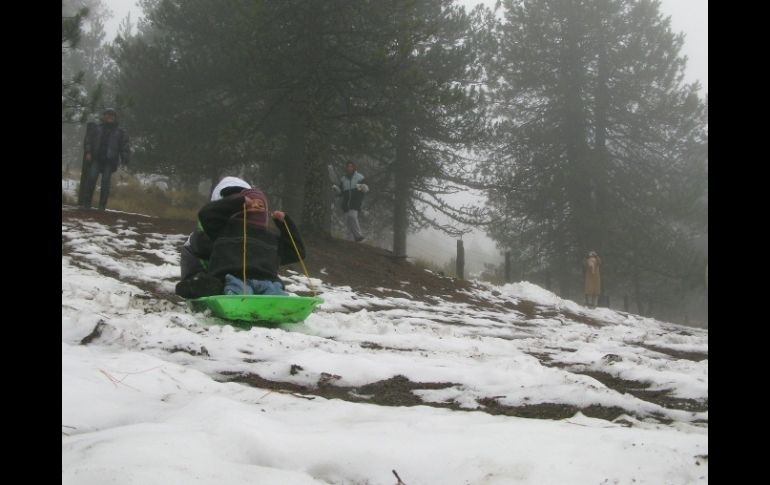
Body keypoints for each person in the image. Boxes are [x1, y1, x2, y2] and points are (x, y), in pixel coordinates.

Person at [196, 185, 306, 296]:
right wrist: (239, 201)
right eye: (250, 203)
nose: (256, 206)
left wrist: (285, 224)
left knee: (275, 291)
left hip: (267, 282)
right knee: (237, 290)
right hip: (233, 279)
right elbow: (206, 214)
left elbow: (297, 251)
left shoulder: (271, 238)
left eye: (260, 204)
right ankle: (235, 305)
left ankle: (280, 307)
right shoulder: (225, 229)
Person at [175, 176, 251, 299]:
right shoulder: (207, 227)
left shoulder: (248, 229)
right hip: (204, 271)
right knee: (206, 284)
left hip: (238, 278)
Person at [80, 108, 130, 210]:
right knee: (91, 179)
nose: (110, 117)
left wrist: (125, 159)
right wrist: (88, 152)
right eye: (107, 115)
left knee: (105, 183)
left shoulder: (120, 132)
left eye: (112, 115)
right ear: (104, 116)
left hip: (109, 161)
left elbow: (124, 146)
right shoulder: (97, 128)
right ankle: (86, 204)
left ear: (115, 118)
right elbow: (88, 140)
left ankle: (102, 206)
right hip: (96, 158)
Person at [332, 162, 368, 242]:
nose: (349, 168)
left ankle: (359, 236)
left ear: (354, 167)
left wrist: (363, 187)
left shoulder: (359, 177)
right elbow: (341, 192)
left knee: (352, 216)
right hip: (346, 203)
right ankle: (349, 240)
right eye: (348, 166)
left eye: (351, 166)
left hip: (355, 201)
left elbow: (365, 189)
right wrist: (336, 189)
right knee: (348, 221)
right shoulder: (343, 179)